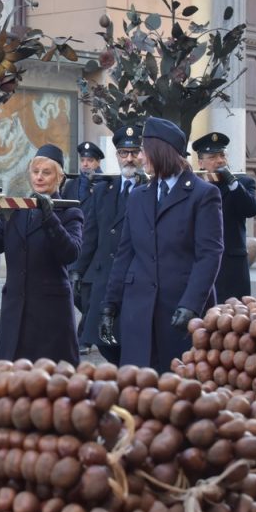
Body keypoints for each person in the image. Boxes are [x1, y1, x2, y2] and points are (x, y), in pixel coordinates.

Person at [99, 117, 223, 372]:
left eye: (144, 150)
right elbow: (125, 254)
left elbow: (209, 254)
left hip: (180, 311)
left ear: (160, 151)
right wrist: (110, 306)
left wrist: (191, 304)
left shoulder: (203, 194)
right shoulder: (138, 196)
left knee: (178, 391)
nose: (141, 158)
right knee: (138, 389)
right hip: (139, 311)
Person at [0, 144, 84, 364]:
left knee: (53, 384)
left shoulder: (70, 212)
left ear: (60, 177)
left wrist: (49, 218)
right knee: (13, 383)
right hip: (15, 314)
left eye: (46, 172)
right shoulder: (18, 210)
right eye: (35, 172)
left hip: (50, 316)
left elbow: (70, 253)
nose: (39, 177)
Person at [73, 122, 148, 363]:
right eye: (124, 153)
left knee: (130, 339)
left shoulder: (151, 189)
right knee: (102, 341)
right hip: (104, 277)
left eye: (134, 153)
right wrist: (77, 269)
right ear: (117, 156)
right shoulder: (105, 190)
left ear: (143, 155)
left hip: (136, 278)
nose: (129, 159)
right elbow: (91, 235)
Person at [194, 132, 256, 295]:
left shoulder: (242, 183)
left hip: (232, 266)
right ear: (201, 162)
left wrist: (232, 182)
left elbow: (251, 209)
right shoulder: (195, 186)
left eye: (222, 155)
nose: (220, 161)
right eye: (212, 157)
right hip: (202, 263)